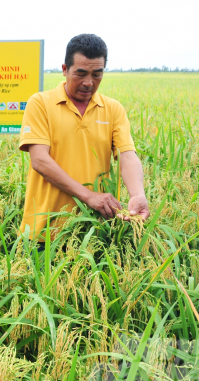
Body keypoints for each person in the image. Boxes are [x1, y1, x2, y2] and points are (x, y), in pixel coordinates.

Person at [19, 34, 149, 243]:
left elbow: (127, 155)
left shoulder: (113, 109)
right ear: (65, 69)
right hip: (45, 232)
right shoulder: (40, 104)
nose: (89, 82)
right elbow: (40, 160)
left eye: (97, 74)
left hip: (96, 231)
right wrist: (89, 196)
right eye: (81, 73)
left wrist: (137, 194)